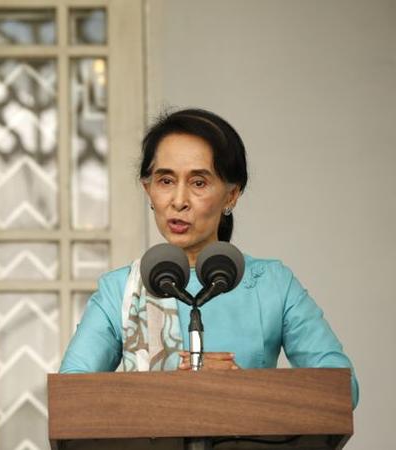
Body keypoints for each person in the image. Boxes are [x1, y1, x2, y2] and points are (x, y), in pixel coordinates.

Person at [59, 108, 359, 407]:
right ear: (148, 189)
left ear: (231, 195)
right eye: (165, 181)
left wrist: (242, 389)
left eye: (198, 183)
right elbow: (71, 395)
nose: (179, 201)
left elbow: (342, 388)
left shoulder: (272, 284)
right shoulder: (120, 290)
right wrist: (164, 394)